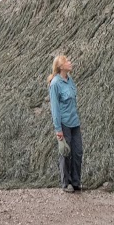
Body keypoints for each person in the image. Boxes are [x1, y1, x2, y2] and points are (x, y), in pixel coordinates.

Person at [47, 54, 82, 192]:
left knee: (78, 152)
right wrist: (58, 129)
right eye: (67, 61)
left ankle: (76, 181)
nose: (70, 62)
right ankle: (65, 183)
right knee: (65, 153)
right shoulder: (55, 84)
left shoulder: (70, 80)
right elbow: (55, 108)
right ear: (60, 66)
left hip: (74, 122)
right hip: (64, 124)